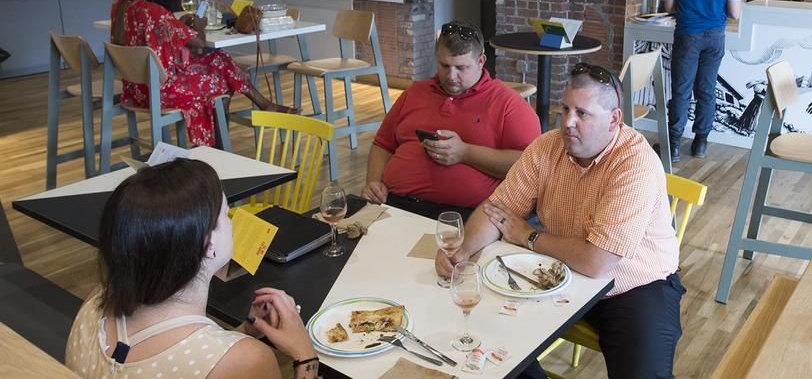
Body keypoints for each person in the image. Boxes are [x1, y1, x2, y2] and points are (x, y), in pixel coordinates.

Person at [437, 63, 683, 379]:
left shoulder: (635, 165)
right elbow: (497, 210)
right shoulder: (547, 146)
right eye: (565, 108)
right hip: (560, 273)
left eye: (582, 113)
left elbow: (596, 262)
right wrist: (462, 254)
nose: (567, 122)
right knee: (488, 342)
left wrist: (529, 237)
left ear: (614, 119)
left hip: (635, 286)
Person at [66, 158, 319, 379]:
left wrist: (244, 332)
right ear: (208, 244)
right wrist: (304, 354)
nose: (231, 222)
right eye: (226, 214)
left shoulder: (95, 302)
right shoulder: (248, 362)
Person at [110, 0, 294, 147]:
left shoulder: (121, 5)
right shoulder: (154, 11)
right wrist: (198, 25)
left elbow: (148, 35)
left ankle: (252, 114)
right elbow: (199, 44)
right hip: (159, 92)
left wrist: (177, 25)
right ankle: (213, 148)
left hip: (135, 90)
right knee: (222, 79)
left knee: (219, 59)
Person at [361, 21, 541, 219]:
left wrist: (466, 153)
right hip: (395, 204)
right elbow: (383, 144)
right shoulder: (415, 92)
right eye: (444, 66)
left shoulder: (508, 104)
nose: (451, 76)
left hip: (469, 216)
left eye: (461, 68)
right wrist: (374, 182)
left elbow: (530, 167)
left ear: (481, 61)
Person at [662, 0, 742, 162]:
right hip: (715, 38)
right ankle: (700, 144)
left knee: (681, 90)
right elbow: (735, 13)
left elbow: (669, 6)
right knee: (707, 90)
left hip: (687, 36)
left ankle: (674, 146)